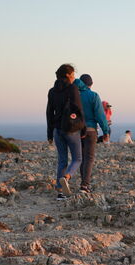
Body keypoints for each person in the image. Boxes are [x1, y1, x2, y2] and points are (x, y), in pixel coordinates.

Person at [46, 64, 84, 200]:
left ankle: (60, 193)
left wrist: (49, 133)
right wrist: (83, 128)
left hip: (57, 129)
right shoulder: (72, 88)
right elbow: (79, 110)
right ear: (68, 75)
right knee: (77, 158)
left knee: (62, 160)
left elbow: (49, 113)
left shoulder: (52, 91)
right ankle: (66, 177)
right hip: (71, 129)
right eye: (73, 74)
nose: (74, 77)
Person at [75, 74, 109, 194]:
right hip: (90, 130)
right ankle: (85, 185)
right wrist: (106, 132)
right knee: (89, 158)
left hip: (76, 131)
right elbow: (100, 116)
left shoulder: (75, 95)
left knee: (80, 157)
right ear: (91, 84)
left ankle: (83, 182)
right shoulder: (93, 96)